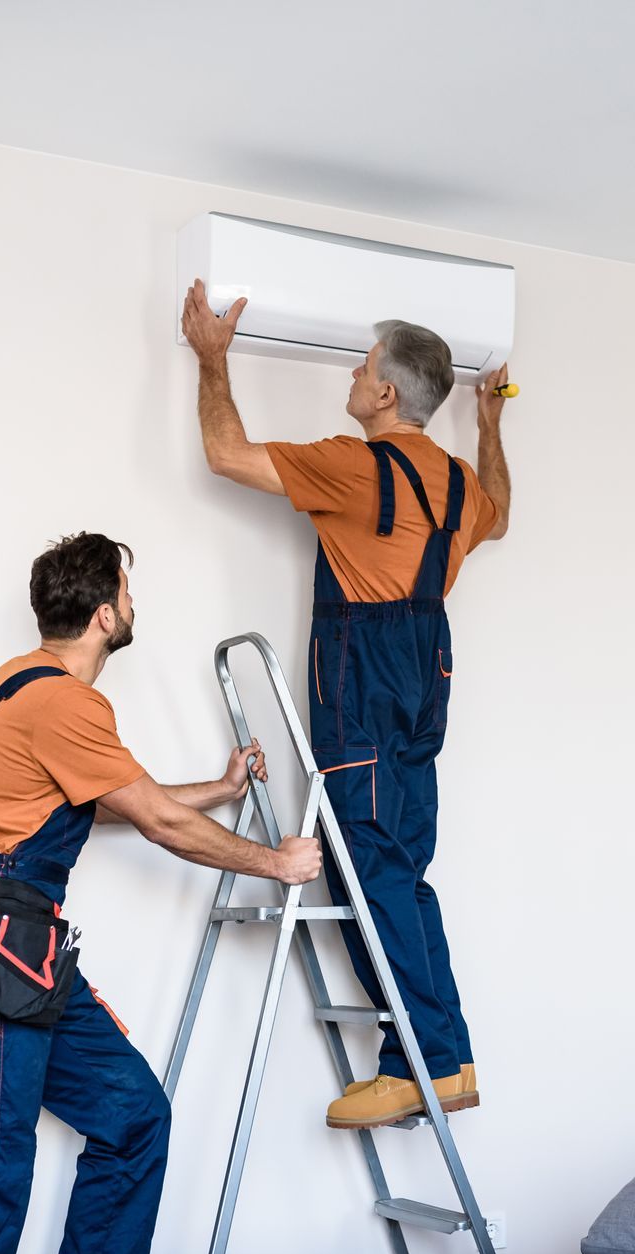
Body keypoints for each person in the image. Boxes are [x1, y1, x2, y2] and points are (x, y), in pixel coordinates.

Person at [0, 531, 321, 1254]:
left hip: (17, 948)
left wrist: (219, 790)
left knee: (133, 1116)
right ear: (104, 614)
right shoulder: (65, 702)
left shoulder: (17, 683)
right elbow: (157, 822)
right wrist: (277, 862)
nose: (134, 603)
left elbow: (107, 802)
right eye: (127, 591)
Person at [180, 279, 511, 1129]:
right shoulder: (462, 486)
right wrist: (491, 428)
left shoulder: (353, 463)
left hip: (362, 687)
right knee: (404, 874)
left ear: (388, 393)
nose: (356, 377)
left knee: (370, 873)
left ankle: (428, 1062)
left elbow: (225, 452)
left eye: (364, 367)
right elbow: (502, 515)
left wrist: (213, 360)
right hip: (425, 680)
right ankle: (444, 1057)